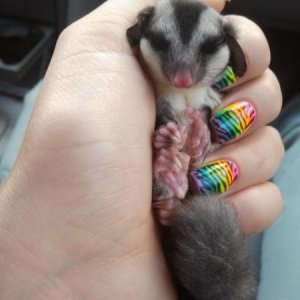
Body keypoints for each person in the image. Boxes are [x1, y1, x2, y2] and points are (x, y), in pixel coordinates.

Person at [0, 0, 284, 299]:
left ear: (230, 51)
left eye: (205, 51)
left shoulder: (199, 99)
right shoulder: (134, 82)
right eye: (163, 45)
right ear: (139, 34)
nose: (182, 77)